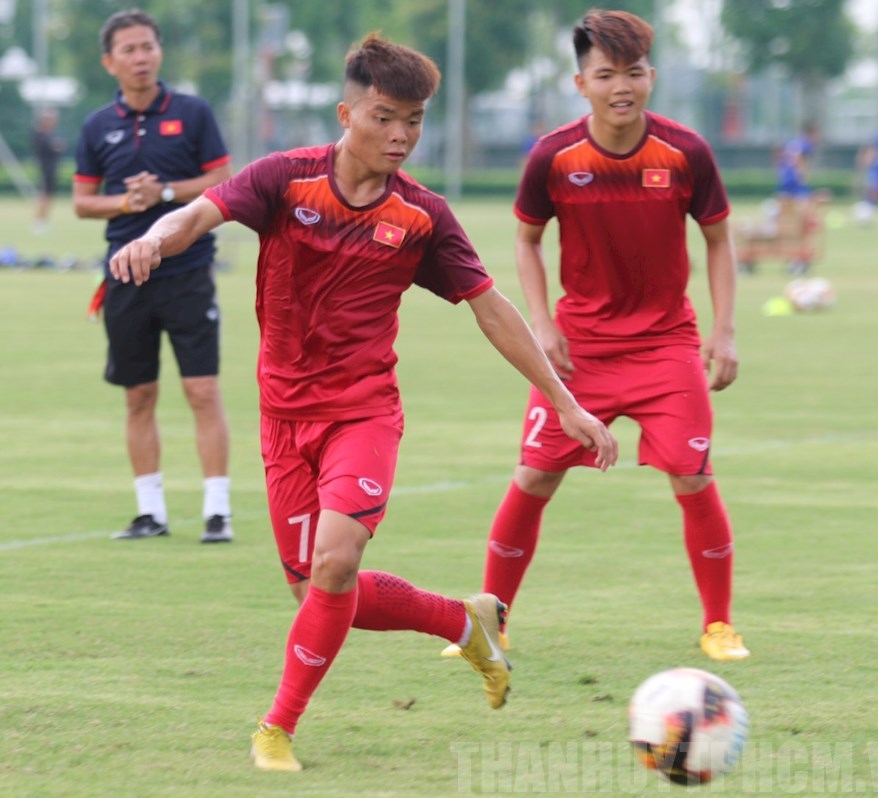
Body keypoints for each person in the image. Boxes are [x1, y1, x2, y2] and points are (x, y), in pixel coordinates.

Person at [109, 34, 618, 773]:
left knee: (335, 560)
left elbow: (491, 308)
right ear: (347, 114)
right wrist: (154, 240)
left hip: (363, 414)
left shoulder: (422, 215)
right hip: (284, 419)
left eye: (414, 120)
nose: (402, 135)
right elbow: (196, 215)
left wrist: (565, 403)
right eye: (385, 117)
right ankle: (465, 621)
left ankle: (276, 728)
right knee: (317, 589)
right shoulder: (285, 179)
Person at [444, 9, 749, 663]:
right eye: (606, 74)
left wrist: (723, 331)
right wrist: (542, 323)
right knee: (533, 477)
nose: (622, 87)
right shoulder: (553, 156)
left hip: (667, 346)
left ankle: (719, 626)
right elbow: (527, 241)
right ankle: (491, 625)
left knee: (693, 478)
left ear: (651, 77)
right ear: (581, 83)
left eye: (633, 73)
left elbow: (719, 239)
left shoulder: (686, 152)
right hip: (579, 351)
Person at [73, 10, 234, 543]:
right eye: (129, 49)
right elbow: (83, 201)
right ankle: (150, 513)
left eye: (148, 46)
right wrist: (126, 202)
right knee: (138, 395)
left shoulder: (192, 112)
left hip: (188, 271)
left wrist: (163, 192)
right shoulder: (97, 125)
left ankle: (217, 512)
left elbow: (221, 180)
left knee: (202, 390)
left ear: (159, 52)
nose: (141, 57)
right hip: (125, 277)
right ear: (109, 62)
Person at [33, 107, 65, 234]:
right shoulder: (40, 135)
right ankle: (39, 222)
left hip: (52, 170)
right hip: (45, 170)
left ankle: (43, 220)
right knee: (44, 196)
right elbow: (54, 148)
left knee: (49, 197)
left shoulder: (51, 135)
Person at [776, 122, 819, 201]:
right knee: (807, 200)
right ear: (811, 133)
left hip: (785, 175)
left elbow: (781, 156)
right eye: (817, 133)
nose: (818, 136)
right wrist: (801, 174)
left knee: (788, 200)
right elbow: (798, 157)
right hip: (793, 178)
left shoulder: (796, 141)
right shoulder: (806, 143)